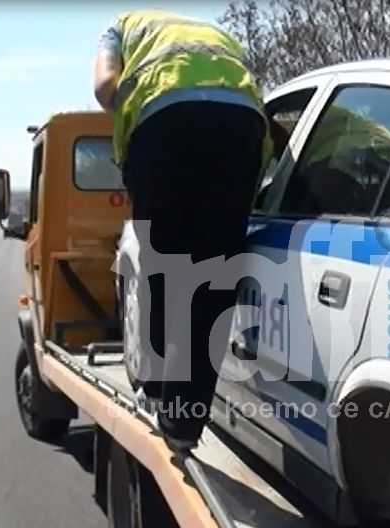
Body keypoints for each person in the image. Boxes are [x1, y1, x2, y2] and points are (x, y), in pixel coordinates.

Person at [93, 9, 272, 452]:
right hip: (240, 123)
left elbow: (103, 88)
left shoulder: (121, 26)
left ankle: (156, 391)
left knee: (163, 263)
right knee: (213, 281)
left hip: (163, 120)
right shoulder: (216, 35)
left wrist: (134, 141)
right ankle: (184, 424)